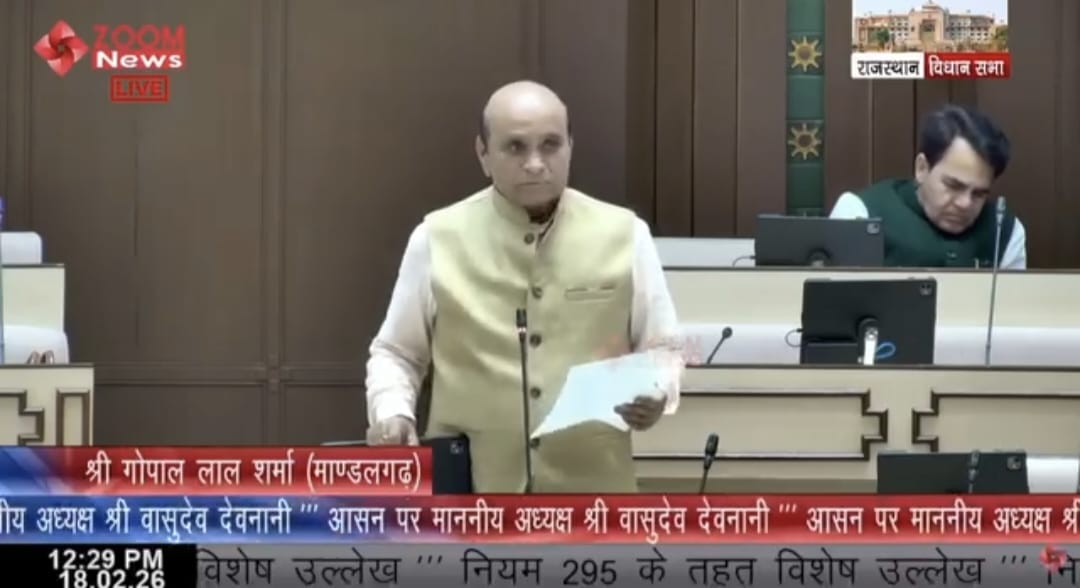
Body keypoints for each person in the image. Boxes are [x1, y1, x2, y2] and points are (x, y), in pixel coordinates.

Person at [363, 80, 683, 493]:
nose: (535, 163)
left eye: (550, 145)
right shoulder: (435, 238)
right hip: (472, 493)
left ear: (570, 147)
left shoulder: (626, 234)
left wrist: (658, 389)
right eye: (515, 147)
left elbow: (663, 347)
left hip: (594, 498)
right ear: (483, 154)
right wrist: (392, 412)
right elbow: (396, 352)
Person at [830, 104, 1026, 269]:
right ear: (922, 168)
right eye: (953, 186)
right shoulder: (858, 213)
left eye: (979, 194)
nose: (965, 203)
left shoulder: (1006, 231)